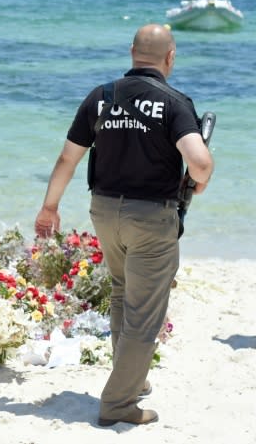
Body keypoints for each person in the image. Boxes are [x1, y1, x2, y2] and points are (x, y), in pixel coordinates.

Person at [33, 24, 214, 427]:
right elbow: (199, 162)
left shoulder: (101, 97)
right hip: (151, 217)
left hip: (104, 212)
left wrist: (50, 207)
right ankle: (119, 404)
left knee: (122, 292)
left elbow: (68, 158)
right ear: (170, 57)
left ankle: (132, 377)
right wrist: (201, 180)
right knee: (145, 310)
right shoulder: (174, 101)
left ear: (133, 52)